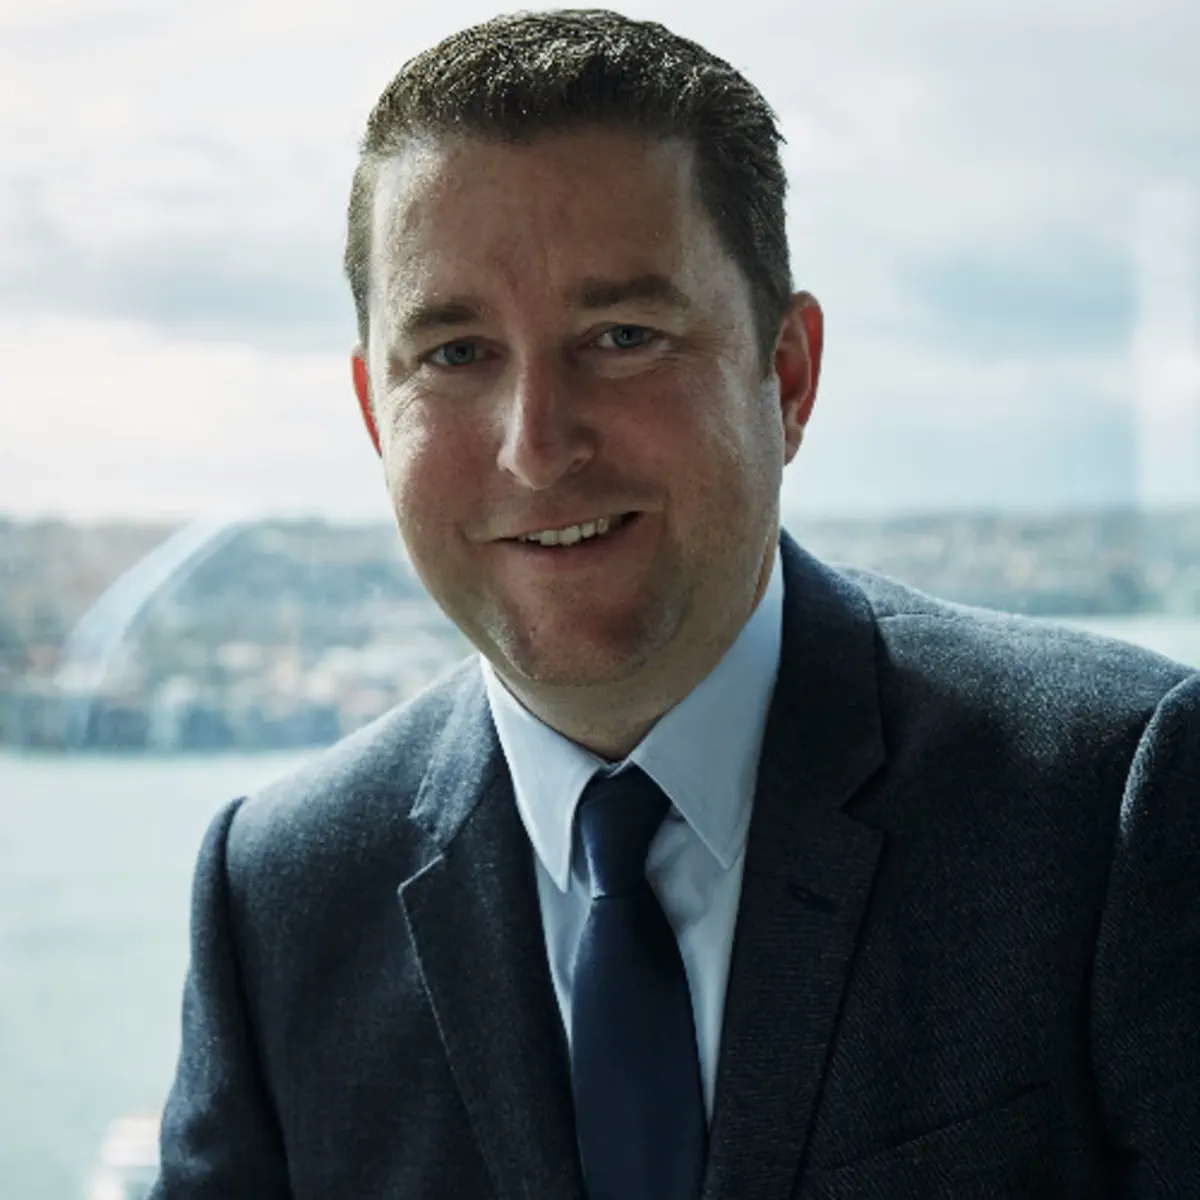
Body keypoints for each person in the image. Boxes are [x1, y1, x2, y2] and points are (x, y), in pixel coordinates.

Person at [150, 10, 1200, 1198]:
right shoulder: (278, 895)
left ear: (787, 377)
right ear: (371, 413)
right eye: (455, 354)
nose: (536, 446)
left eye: (622, 336)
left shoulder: (1112, 805)